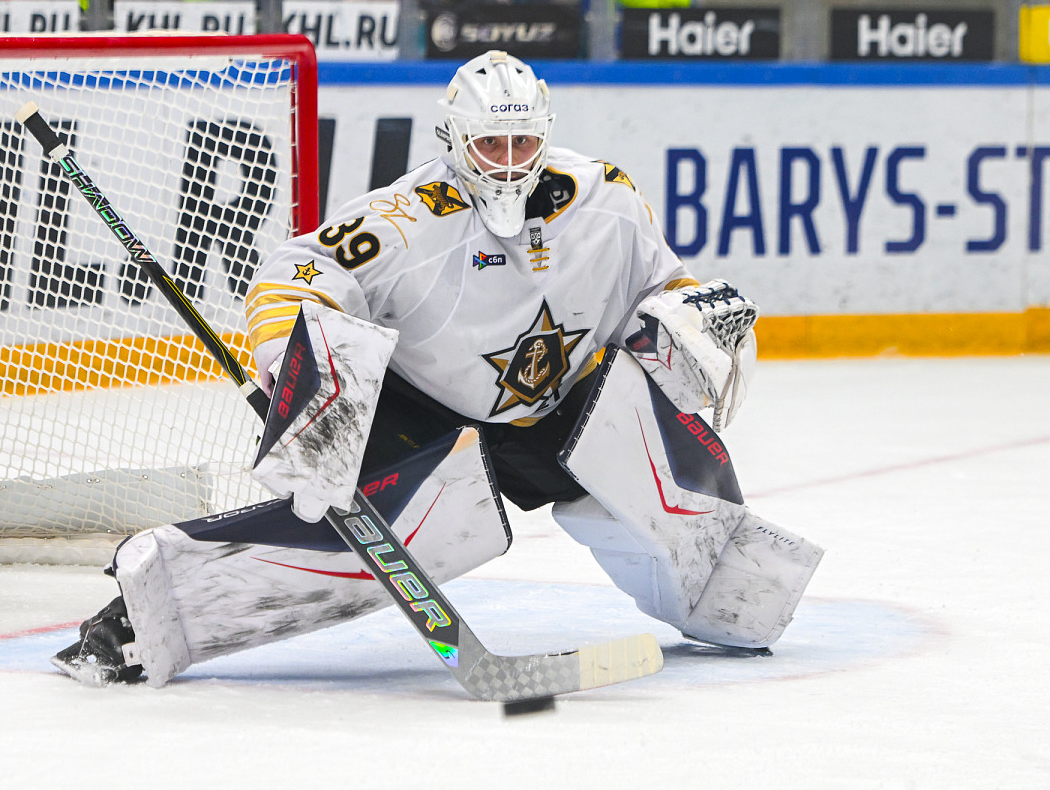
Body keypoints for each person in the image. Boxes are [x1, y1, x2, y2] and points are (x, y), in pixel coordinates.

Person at [53, 50, 823, 687]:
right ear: (455, 140)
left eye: (523, 144)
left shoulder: (607, 199)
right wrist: (307, 386)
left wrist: (689, 320)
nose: (510, 164)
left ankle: (724, 594)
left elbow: (663, 287)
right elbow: (290, 280)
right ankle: (142, 618)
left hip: (563, 414)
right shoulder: (405, 220)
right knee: (388, 535)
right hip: (429, 420)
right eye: (492, 145)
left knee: (699, 530)